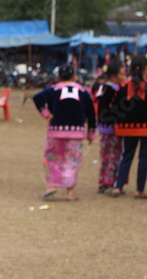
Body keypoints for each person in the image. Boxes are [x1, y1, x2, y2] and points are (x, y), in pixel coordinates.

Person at [33, 65, 96, 201]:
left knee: (52, 158)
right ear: (74, 76)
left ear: (59, 78)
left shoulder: (53, 89)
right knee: (72, 161)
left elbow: (37, 98)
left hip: (56, 131)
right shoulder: (84, 92)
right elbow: (91, 114)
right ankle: (70, 192)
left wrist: (46, 114)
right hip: (76, 133)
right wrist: (91, 133)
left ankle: (52, 186)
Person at [107, 54, 147, 199]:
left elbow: (115, 106)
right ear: (146, 69)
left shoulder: (123, 87)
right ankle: (139, 190)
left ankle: (118, 187)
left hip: (127, 127)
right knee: (145, 158)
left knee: (126, 156)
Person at [94, 62, 126, 193]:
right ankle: (110, 182)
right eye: (122, 74)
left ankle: (103, 181)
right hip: (113, 128)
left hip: (103, 127)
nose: (124, 77)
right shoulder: (116, 89)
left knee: (105, 155)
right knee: (114, 155)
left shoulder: (103, 87)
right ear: (114, 76)